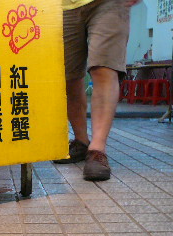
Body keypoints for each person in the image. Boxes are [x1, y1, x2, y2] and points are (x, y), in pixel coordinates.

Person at [54, 0, 141, 181]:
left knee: (104, 69)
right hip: (59, 7)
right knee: (68, 77)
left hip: (109, 3)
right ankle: (81, 141)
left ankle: (97, 149)